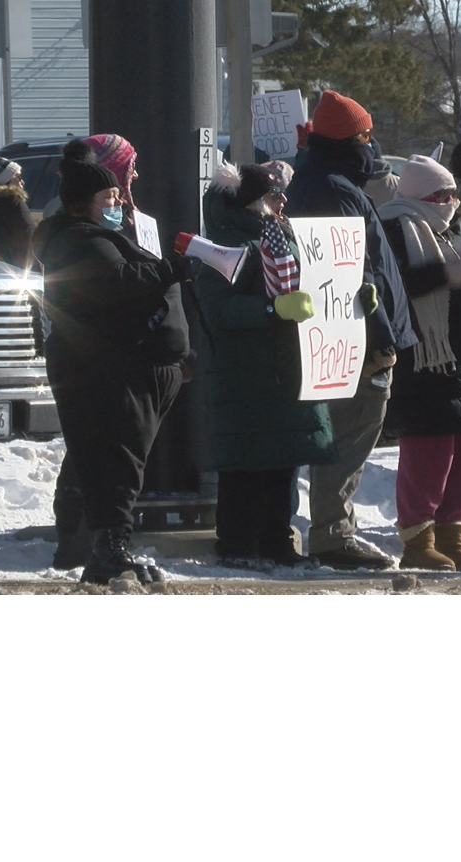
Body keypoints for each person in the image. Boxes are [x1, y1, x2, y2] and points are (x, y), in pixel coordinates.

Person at [32, 140, 199, 583]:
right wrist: (173, 269)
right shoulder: (80, 240)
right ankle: (107, 546)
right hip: (111, 370)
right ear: (83, 203)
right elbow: (118, 281)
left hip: (128, 366)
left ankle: (104, 545)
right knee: (113, 461)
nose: (118, 202)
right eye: (109, 198)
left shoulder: (92, 236)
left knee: (116, 460)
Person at [285, 90, 417, 570]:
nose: (371, 144)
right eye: (365, 135)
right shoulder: (336, 191)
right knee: (351, 432)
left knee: (346, 433)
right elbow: (354, 273)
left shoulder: (322, 182)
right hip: (355, 337)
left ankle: (331, 531)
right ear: (347, 141)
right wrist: (381, 337)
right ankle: (333, 534)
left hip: (347, 332)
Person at [191, 162, 336, 568]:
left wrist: (353, 298)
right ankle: (238, 544)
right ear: (252, 202)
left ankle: (276, 540)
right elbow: (218, 309)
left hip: (284, 371)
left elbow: (316, 285)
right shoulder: (226, 247)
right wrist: (273, 310)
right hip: (248, 375)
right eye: (273, 195)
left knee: (281, 462)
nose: (282, 200)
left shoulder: (279, 235)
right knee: (247, 466)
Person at [376, 156, 461, 572]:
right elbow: (396, 285)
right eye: (440, 196)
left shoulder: (450, 232)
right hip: (425, 363)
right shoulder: (393, 229)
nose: (449, 203)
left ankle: (452, 536)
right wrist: (447, 272)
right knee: (430, 454)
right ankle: (419, 539)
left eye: (452, 195)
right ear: (417, 196)